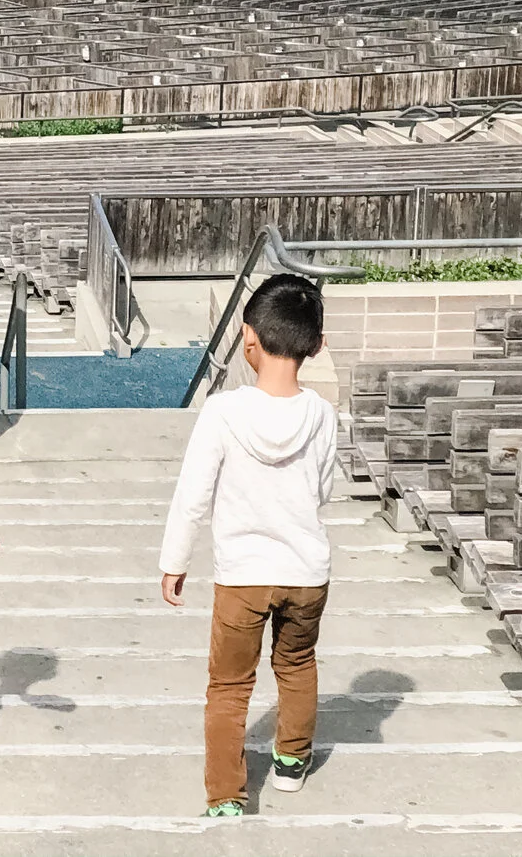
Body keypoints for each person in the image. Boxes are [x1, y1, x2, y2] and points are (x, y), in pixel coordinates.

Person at [157, 273, 337, 820]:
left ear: (248, 339)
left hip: (243, 575)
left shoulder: (224, 412)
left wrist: (175, 561)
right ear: (317, 345)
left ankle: (227, 795)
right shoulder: (324, 415)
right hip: (307, 570)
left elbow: (194, 494)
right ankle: (290, 762)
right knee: (298, 664)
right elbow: (323, 488)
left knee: (230, 685)